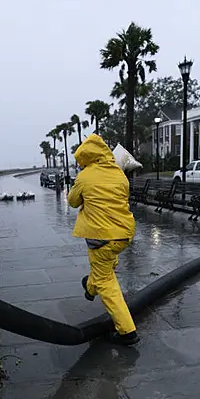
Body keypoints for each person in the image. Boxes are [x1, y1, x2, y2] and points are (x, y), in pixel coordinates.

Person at [67, 134, 138, 345]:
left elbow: (72, 202)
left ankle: (127, 332)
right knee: (106, 265)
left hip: (101, 237)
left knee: (106, 282)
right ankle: (90, 287)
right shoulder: (119, 174)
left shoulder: (84, 176)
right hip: (123, 234)